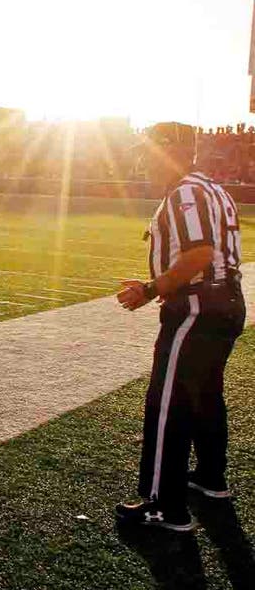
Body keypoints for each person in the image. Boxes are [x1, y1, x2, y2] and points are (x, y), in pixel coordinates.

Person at [115, 124, 244, 532]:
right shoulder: (210, 188)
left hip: (196, 307)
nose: (141, 159)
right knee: (205, 394)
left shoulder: (186, 192)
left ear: (168, 150)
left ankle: (164, 506)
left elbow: (199, 254)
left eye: (147, 150)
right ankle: (210, 477)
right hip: (225, 303)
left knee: (167, 404)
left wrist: (151, 289)